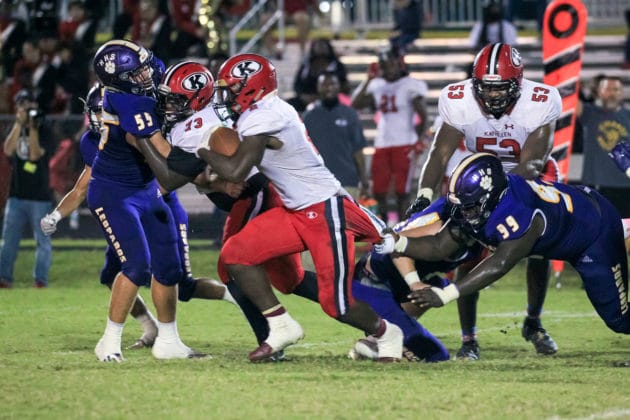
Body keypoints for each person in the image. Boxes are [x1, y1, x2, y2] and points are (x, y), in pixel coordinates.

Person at [197, 53, 404, 362]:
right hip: (296, 210)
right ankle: (280, 324)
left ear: (251, 88)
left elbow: (236, 170)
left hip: (324, 210)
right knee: (234, 255)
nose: (225, 96)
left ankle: (387, 334)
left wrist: (201, 149)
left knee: (337, 305)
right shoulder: (259, 112)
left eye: (232, 88)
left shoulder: (265, 114)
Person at [133, 60, 321, 359]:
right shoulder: (205, 116)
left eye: (176, 99)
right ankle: (368, 308)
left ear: (195, 98)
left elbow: (170, 179)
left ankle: (272, 336)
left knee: (231, 267)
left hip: (253, 193)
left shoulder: (196, 124)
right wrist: (213, 183)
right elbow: (201, 173)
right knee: (291, 279)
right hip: (258, 191)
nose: (169, 105)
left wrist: (142, 138)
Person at [40, 82, 234, 349]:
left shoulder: (139, 127)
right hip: (123, 206)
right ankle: (147, 329)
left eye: (102, 112)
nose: (98, 119)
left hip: (158, 201)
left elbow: (171, 167)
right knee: (120, 272)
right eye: (95, 112)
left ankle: (220, 306)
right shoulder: (92, 141)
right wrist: (56, 216)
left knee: (177, 279)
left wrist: (213, 178)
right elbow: (83, 185)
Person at [406, 43, 562, 359]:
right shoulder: (458, 98)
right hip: (480, 179)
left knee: (538, 252)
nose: (492, 96)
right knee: (468, 251)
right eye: (486, 88)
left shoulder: (541, 100)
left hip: (531, 178)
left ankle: (532, 322)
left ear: (518, 84)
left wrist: (495, 199)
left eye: (500, 88)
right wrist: (425, 193)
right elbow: (441, 151)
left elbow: (532, 163)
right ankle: (469, 339)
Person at [379, 153, 630, 343]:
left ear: (491, 197)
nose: (464, 214)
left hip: (594, 232)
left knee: (619, 320)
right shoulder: (478, 202)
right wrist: (396, 241)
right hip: (567, 223)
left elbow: (499, 264)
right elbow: (439, 245)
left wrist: (446, 295)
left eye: (470, 207)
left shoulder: (518, 210)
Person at [89, 39, 200, 362]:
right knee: (137, 266)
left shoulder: (142, 84)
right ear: (119, 79)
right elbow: (165, 154)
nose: (146, 75)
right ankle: (109, 341)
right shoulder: (127, 102)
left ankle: (169, 341)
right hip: (114, 192)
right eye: (135, 74)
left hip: (146, 190)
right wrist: (205, 159)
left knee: (169, 268)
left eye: (143, 68)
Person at [351, 46, 429, 223]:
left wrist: (419, 139)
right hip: (382, 142)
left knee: (403, 192)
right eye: (385, 65)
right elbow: (355, 104)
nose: (389, 68)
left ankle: (404, 227)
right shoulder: (377, 84)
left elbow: (423, 116)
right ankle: (384, 226)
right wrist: (368, 79)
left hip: (404, 142)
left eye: (392, 64)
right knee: (379, 190)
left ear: (400, 64)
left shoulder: (411, 84)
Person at [0, 90, 52, 289]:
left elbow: (34, 155)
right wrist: (18, 124)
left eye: (29, 104)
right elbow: (7, 150)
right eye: (22, 105)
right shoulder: (16, 126)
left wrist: (33, 128)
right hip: (17, 195)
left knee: (43, 242)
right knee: (9, 241)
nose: (27, 108)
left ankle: (40, 280)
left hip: (40, 196)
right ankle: (4, 278)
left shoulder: (45, 128)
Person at [303, 72, 368, 200]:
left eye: (332, 84)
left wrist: (364, 179)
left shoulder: (350, 114)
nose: (329, 88)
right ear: (318, 87)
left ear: (339, 86)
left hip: (347, 181)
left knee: (347, 220)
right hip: (318, 183)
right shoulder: (308, 116)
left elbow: (358, 150)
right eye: (324, 85)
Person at [578, 75, 630, 219]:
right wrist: (576, 85)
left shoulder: (628, 115)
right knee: (600, 230)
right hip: (597, 184)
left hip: (626, 185)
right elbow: (570, 102)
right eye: (608, 89)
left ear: (622, 93)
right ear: (599, 92)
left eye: (616, 89)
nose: (612, 93)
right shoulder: (589, 112)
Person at [290, 37, 349, 114]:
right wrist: (303, 96)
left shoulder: (337, 65)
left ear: (328, 48)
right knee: (291, 104)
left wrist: (323, 97)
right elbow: (297, 84)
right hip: (308, 98)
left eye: (323, 46)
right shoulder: (306, 65)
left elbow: (344, 84)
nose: (321, 49)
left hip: (330, 97)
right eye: (318, 46)